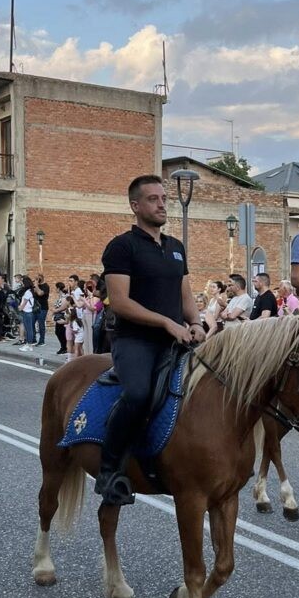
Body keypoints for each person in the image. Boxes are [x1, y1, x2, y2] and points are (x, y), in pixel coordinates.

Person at [96, 174, 206, 506]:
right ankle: (109, 468)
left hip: (177, 340)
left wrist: (196, 322)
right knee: (138, 394)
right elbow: (120, 301)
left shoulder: (175, 247)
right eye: (153, 199)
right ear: (135, 206)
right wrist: (165, 323)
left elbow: (184, 293)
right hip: (136, 342)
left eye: (164, 199)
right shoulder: (121, 246)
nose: (161, 204)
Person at [18, 276, 36, 352]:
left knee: (29, 330)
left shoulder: (28, 292)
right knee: (28, 329)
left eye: (22, 282)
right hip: (27, 312)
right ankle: (28, 344)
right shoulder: (29, 291)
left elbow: (24, 303)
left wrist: (20, 307)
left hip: (27, 312)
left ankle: (29, 345)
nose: (21, 283)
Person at [31, 273, 49, 347]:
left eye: (37, 278)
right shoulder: (35, 286)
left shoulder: (45, 286)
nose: (36, 280)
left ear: (41, 278)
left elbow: (40, 293)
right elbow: (33, 293)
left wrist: (37, 285)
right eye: (35, 278)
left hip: (42, 308)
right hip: (35, 307)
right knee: (31, 323)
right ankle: (33, 339)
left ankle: (42, 341)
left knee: (41, 324)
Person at [52, 282, 68, 354]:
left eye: (56, 288)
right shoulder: (60, 296)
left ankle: (64, 347)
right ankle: (63, 347)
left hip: (62, 315)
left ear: (58, 288)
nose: (55, 289)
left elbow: (64, 307)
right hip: (58, 315)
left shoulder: (64, 297)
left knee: (60, 332)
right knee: (59, 332)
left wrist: (56, 310)